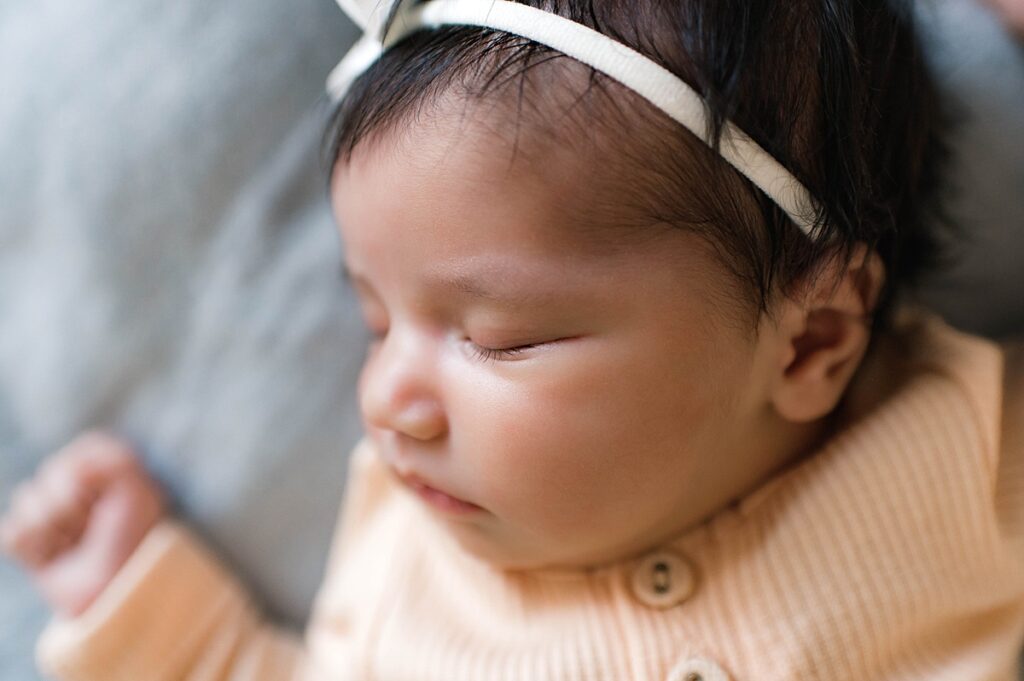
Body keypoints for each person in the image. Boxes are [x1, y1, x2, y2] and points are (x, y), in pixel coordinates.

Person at [2, 0, 1023, 678]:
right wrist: (145, 607)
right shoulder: (408, 572)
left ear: (812, 343)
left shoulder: (966, 443)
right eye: (373, 320)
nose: (386, 398)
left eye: (498, 337)